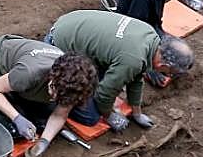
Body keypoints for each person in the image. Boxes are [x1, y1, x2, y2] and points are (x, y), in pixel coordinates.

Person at [0, 37, 99, 157]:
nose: (55, 98)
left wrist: (44, 142)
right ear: (52, 77)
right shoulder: (29, 73)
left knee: (43, 121)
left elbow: (60, 114)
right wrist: (17, 118)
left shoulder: (74, 84)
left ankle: (20, 105)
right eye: (54, 92)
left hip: (25, 81)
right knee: (9, 130)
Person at [45, 10, 194, 131]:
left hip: (71, 24)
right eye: (170, 72)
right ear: (164, 64)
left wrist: (137, 113)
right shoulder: (133, 59)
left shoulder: (151, 38)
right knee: (90, 117)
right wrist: (109, 115)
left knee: (113, 78)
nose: (168, 75)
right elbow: (104, 94)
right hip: (58, 46)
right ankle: (49, 104)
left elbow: (136, 77)